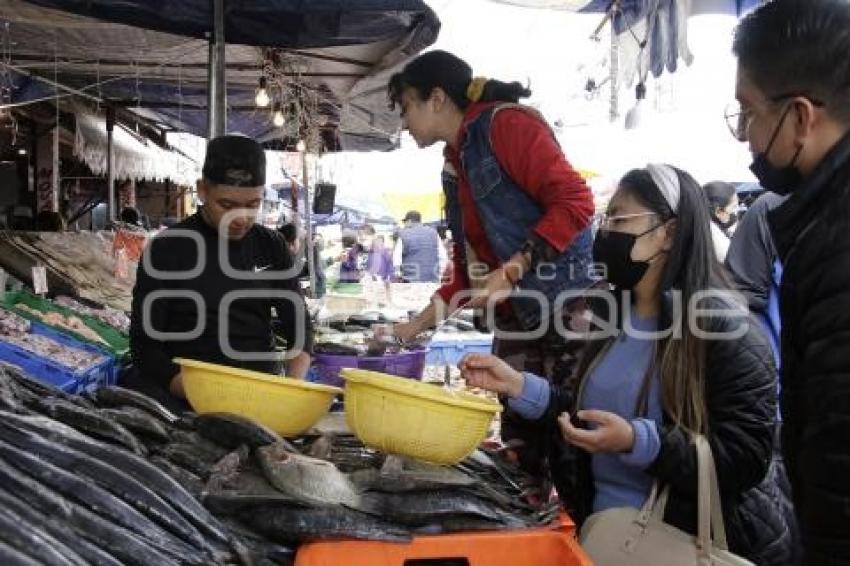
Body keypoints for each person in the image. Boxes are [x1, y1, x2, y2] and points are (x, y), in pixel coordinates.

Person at [460, 165, 794, 565]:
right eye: (607, 218)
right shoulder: (613, 313)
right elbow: (596, 414)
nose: (605, 232)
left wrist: (639, 442)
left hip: (677, 543)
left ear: (668, 233)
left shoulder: (724, 329)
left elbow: (746, 458)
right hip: (608, 539)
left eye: (620, 218)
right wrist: (520, 387)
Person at [387, 50, 595, 482]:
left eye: (406, 107)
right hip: (517, 318)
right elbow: (466, 274)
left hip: (566, 307)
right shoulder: (453, 165)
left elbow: (576, 202)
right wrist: (411, 328)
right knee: (520, 447)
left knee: (573, 433)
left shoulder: (507, 125)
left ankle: (584, 536)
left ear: (437, 98)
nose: (403, 123)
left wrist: (515, 268)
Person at [732, 1, 850, 562]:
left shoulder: (837, 235)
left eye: (748, 112)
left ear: (802, 117)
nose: (745, 136)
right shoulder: (818, 216)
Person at [128, 135, 313, 412]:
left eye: (252, 205)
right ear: (202, 190)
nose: (240, 218)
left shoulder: (271, 245)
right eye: (226, 205)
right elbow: (145, 347)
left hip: (259, 395)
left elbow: (298, 326)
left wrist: (293, 387)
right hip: (187, 402)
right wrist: (204, 395)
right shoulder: (167, 249)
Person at [391, 211, 443, 282]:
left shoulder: (403, 234)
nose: (404, 225)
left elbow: (397, 257)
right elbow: (442, 256)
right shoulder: (434, 233)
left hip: (410, 278)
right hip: (432, 277)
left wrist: (398, 274)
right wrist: (440, 274)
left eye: (405, 222)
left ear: (409, 221)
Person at [701, 181, 738, 261]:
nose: (735, 212)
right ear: (718, 211)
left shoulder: (702, 225)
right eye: (733, 207)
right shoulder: (714, 234)